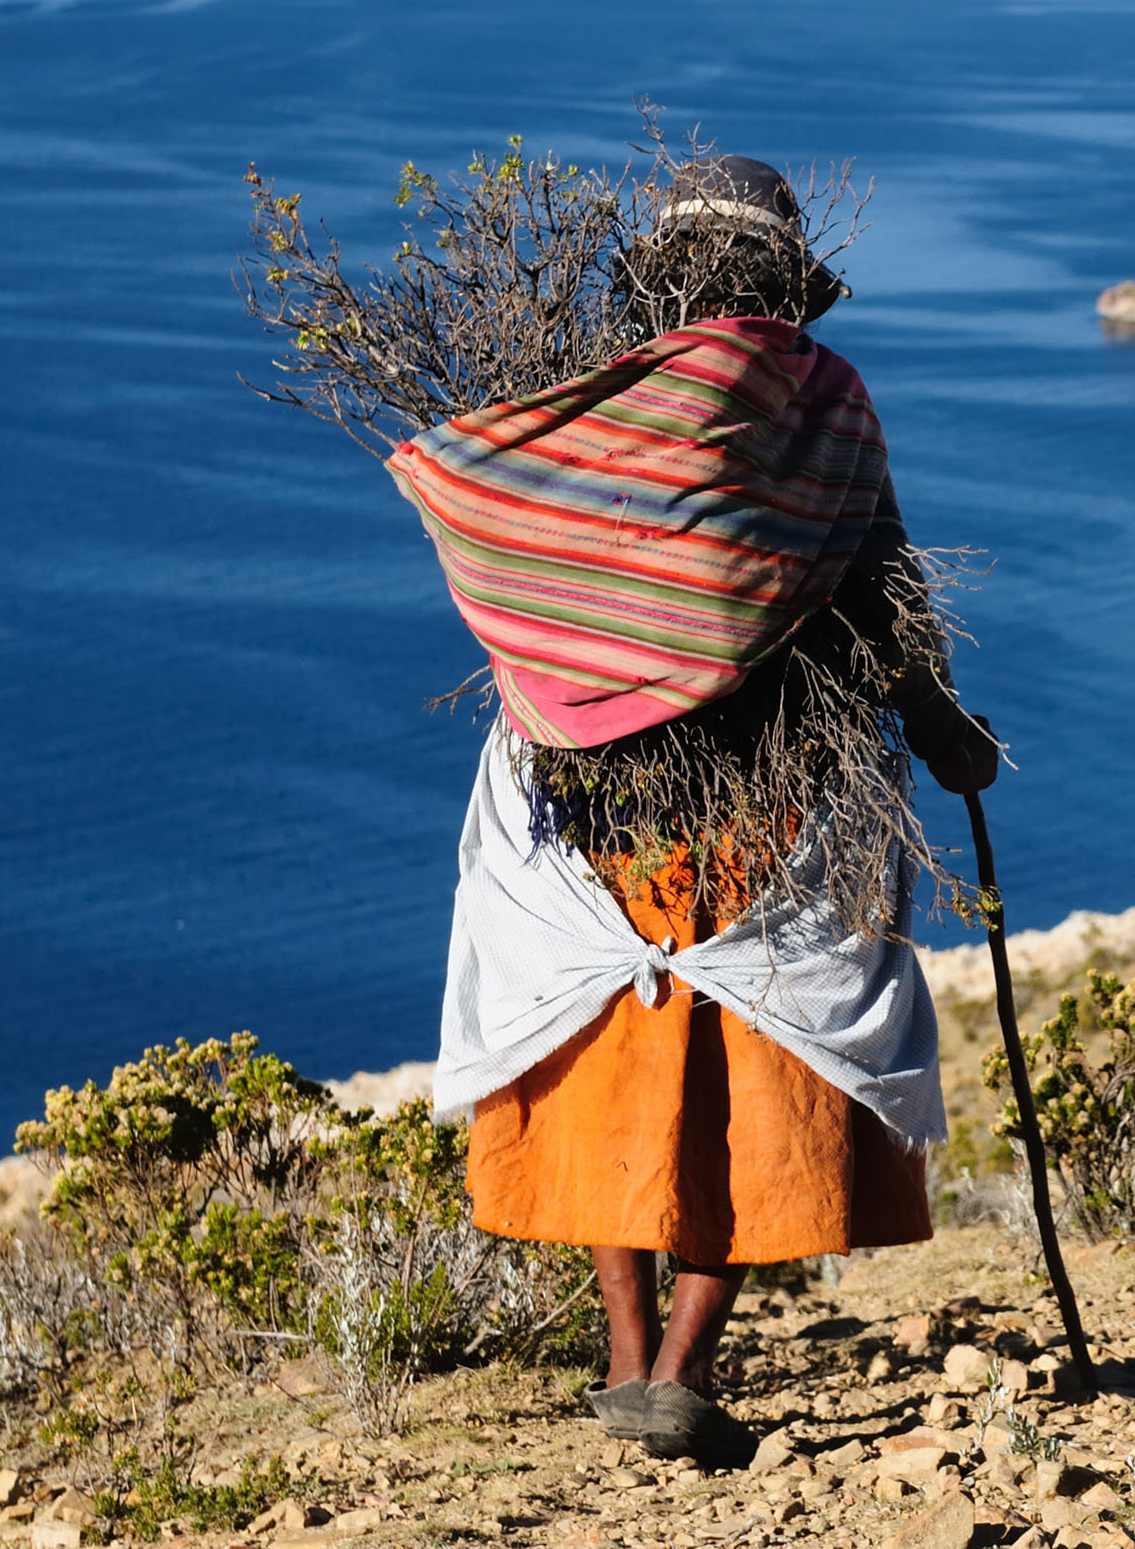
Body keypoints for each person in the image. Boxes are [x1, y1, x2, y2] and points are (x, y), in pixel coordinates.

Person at [396, 154, 997, 1465]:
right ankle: (683, 1361)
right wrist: (945, 730)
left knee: (608, 1051)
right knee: (766, 1053)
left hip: (585, 802)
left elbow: (478, 503)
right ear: (785, 277)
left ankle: (626, 1357)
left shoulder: (583, 408)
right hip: (776, 797)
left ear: (661, 284)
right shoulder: (827, 394)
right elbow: (882, 578)